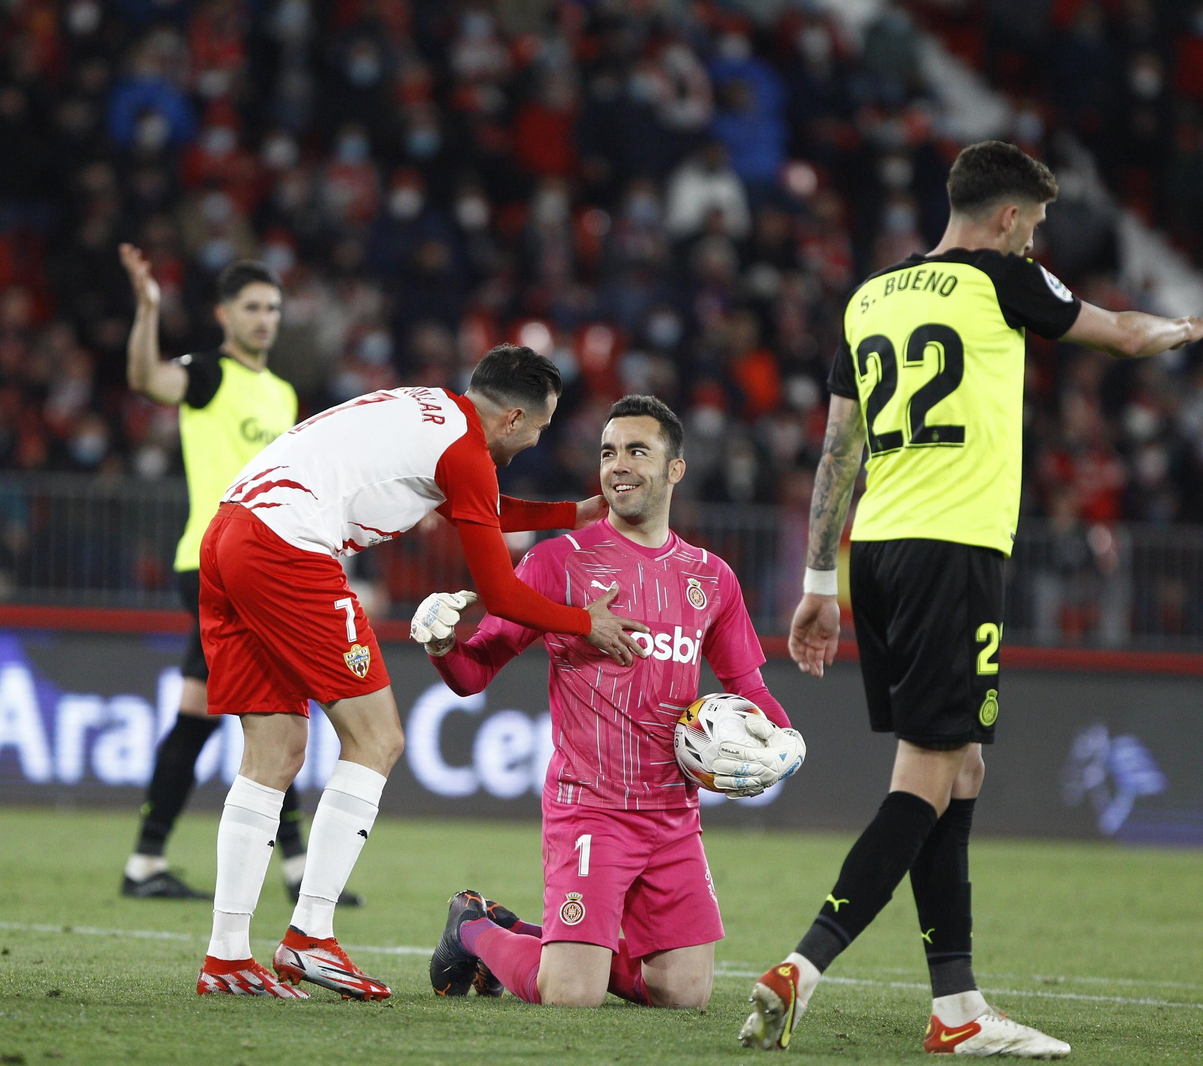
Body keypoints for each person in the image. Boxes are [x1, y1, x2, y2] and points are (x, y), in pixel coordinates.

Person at [740, 140, 1203, 1058]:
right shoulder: (999, 277)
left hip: (877, 552)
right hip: (956, 552)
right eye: (1033, 226)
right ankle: (804, 965)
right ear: (1005, 219)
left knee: (963, 771)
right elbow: (1121, 332)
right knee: (926, 776)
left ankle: (957, 1008)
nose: (1035, 241)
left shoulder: (870, 296)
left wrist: (818, 581)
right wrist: (1188, 328)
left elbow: (838, 451)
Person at [194, 344, 651, 1000]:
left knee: (275, 749)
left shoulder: (435, 413)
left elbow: (479, 505)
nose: (536, 441)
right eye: (540, 429)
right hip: (286, 547)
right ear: (516, 418)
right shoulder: (464, 452)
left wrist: (569, 515)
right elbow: (501, 594)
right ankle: (310, 936)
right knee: (376, 740)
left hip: (232, 530)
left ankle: (227, 954)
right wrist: (587, 624)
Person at [417, 395, 803, 1008]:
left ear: (675, 469)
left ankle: (536, 939)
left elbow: (748, 689)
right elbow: (472, 674)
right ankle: (472, 929)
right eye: (608, 452)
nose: (618, 465)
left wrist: (784, 742)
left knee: (683, 994)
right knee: (572, 995)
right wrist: (443, 644)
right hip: (589, 809)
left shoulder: (712, 578)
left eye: (637, 451)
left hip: (673, 815)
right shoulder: (556, 562)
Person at [116, 247, 353, 905]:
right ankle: (297, 870)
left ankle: (146, 862)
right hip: (211, 565)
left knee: (209, 715)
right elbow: (146, 380)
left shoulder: (281, 395)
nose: (264, 319)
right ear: (223, 315)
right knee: (275, 706)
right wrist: (148, 311)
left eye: (273, 308)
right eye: (251, 307)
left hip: (260, 568)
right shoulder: (209, 375)